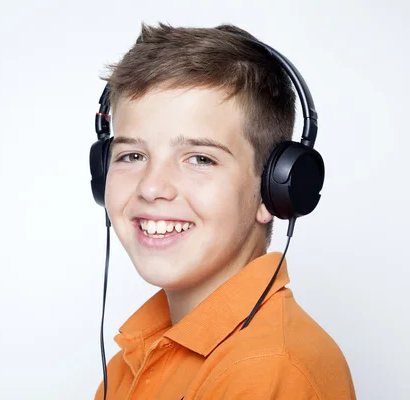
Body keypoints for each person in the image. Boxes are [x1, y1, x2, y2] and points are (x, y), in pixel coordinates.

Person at [92, 22, 356, 399]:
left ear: (274, 189)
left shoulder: (267, 370)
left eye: (200, 158)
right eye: (132, 155)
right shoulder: (134, 357)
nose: (151, 187)